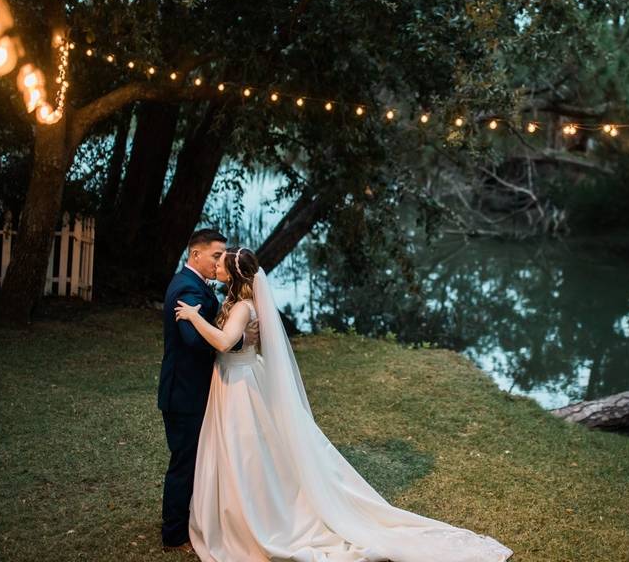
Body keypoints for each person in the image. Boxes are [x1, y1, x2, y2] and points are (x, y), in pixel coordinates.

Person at [174, 246, 513, 562]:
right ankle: (238, 510)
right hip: (233, 379)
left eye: (220, 262)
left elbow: (223, 340)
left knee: (243, 451)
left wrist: (192, 316)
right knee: (240, 451)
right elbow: (236, 339)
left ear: (232, 275)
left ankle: (252, 516)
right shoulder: (237, 303)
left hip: (240, 386)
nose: (215, 265)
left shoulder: (243, 307)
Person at [159, 228, 227, 552]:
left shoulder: (190, 282)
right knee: (184, 463)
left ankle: (189, 520)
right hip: (184, 393)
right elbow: (194, 339)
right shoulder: (187, 288)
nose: (220, 262)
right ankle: (173, 534)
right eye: (216, 256)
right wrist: (231, 343)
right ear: (196, 254)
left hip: (188, 388)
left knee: (192, 459)